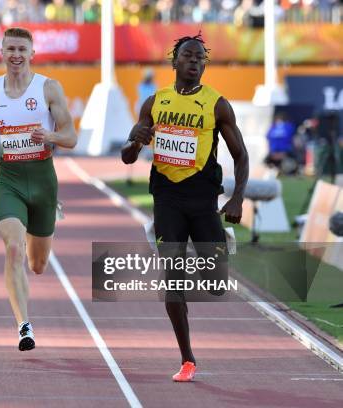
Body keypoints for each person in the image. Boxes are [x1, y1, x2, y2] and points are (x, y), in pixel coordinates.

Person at [121, 33, 249, 382]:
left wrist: (237, 197)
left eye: (200, 57)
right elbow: (127, 156)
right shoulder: (154, 102)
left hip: (203, 198)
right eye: (188, 56)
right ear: (174, 61)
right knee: (172, 278)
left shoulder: (216, 104)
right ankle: (187, 358)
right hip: (167, 200)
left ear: (204, 65)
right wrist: (136, 141)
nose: (194, 61)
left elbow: (240, 155)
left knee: (216, 285)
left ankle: (215, 241)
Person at [0, 27, 77, 351]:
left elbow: (71, 137)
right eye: (11, 48)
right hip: (8, 181)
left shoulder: (49, 88)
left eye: (22, 49)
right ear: (1, 51)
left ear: (32, 53)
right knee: (13, 249)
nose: (16, 55)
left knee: (37, 265)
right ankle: (24, 325)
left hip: (43, 183)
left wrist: (49, 137)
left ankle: (34, 234)